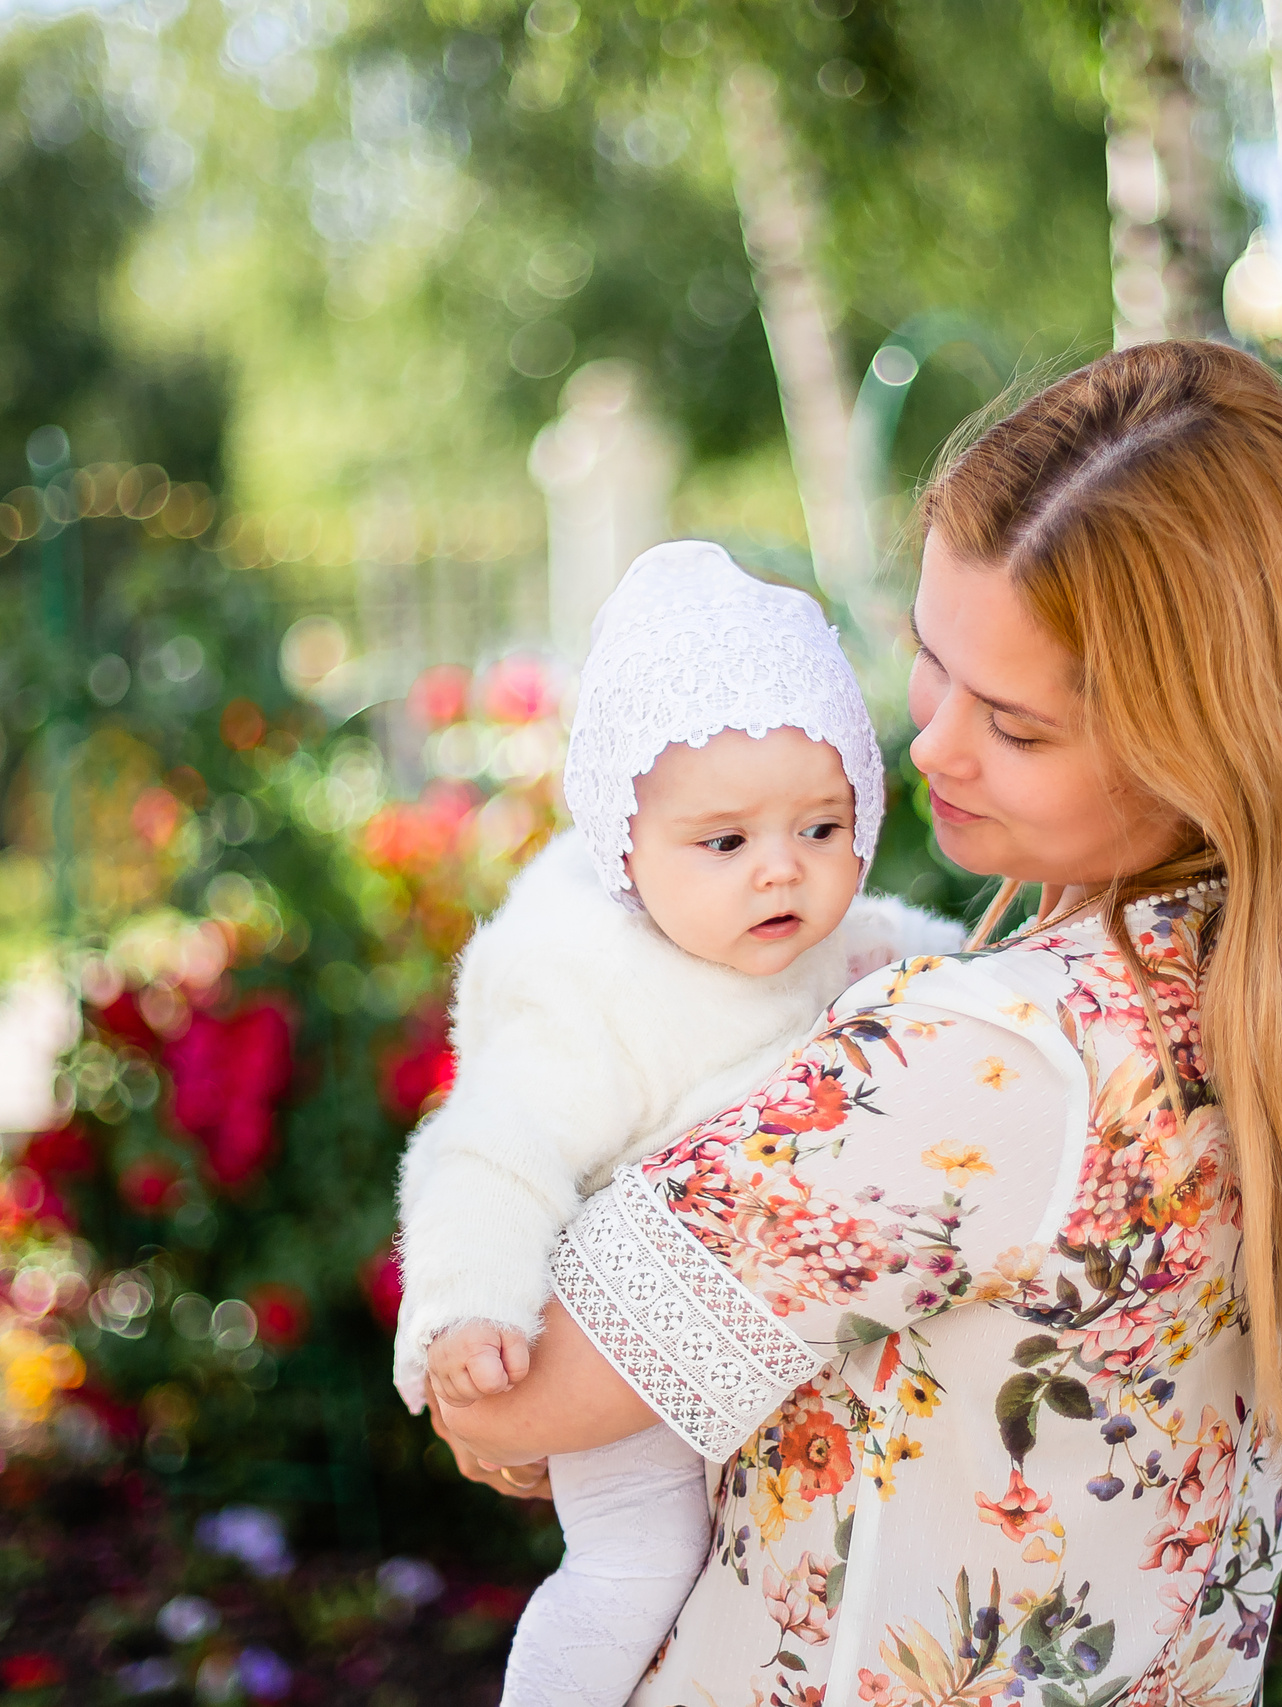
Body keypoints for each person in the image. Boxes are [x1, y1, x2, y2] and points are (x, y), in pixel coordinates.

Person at [435, 341, 1282, 1707]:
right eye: (929, 658)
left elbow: (508, 1396)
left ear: (1213, 747)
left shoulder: (977, 1056)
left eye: (1019, 726)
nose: (933, 747)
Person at [394, 539, 963, 1707]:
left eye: (822, 827)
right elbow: (487, 1149)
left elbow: (937, 976)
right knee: (633, 1566)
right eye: (725, 842)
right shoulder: (592, 987)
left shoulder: (832, 941)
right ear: (623, 845)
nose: (782, 874)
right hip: (607, 1327)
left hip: (745, 1362)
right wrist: (465, 1310)